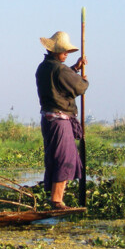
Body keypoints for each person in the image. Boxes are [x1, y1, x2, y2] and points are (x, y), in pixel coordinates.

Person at [35, 31, 88, 210]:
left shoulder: (44, 67)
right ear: (54, 51)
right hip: (59, 121)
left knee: (57, 157)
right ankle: (57, 201)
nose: (66, 53)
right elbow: (79, 86)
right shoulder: (58, 69)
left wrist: (74, 69)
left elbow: (59, 82)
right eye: (63, 51)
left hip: (49, 120)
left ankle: (58, 199)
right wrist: (82, 79)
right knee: (63, 158)